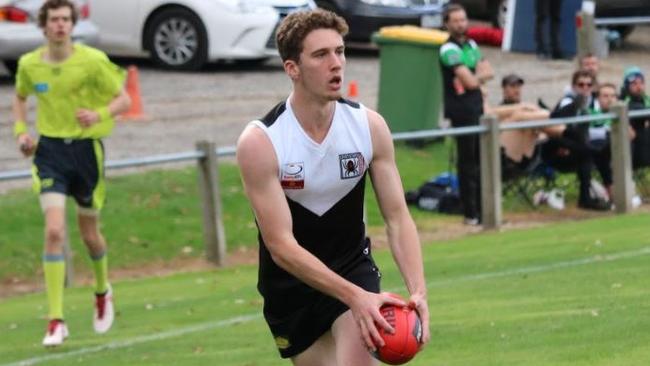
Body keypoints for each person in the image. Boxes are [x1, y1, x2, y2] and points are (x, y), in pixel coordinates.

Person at [236, 9, 429, 365]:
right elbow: (281, 247)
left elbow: (398, 218)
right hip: (291, 285)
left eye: (340, 51)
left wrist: (418, 291)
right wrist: (355, 297)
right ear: (292, 68)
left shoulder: (368, 127)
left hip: (354, 268)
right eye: (321, 55)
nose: (336, 64)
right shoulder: (262, 142)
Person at [12, 0, 130, 347]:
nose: (61, 25)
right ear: (44, 26)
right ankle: (55, 320)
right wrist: (21, 131)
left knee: (90, 235)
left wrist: (98, 113)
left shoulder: (92, 60)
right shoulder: (30, 64)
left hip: (85, 153)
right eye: (55, 20)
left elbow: (123, 100)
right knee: (53, 230)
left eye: (66, 19)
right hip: (49, 152)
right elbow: (20, 97)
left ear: (72, 24)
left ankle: (101, 289)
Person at [440, 3, 494, 226]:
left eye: (463, 19)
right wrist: (477, 78)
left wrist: (476, 79)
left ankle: (484, 210)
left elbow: (487, 72)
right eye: (456, 20)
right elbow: (470, 80)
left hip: (477, 106)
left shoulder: (471, 44)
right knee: (468, 161)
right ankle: (470, 212)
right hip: (461, 110)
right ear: (447, 24)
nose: (462, 24)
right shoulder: (448, 49)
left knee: (482, 160)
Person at [547, 70, 611, 210]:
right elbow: (556, 128)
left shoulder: (593, 103)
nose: (585, 88)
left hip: (578, 146)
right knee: (590, 152)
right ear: (574, 86)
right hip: (558, 150)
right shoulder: (568, 102)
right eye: (581, 84)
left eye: (589, 84)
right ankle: (589, 197)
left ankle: (603, 194)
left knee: (594, 151)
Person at [620, 66, 650, 170]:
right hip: (634, 143)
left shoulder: (646, 99)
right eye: (634, 84)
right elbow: (638, 109)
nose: (639, 87)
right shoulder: (624, 100)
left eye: (641, 83)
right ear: (627, 86)